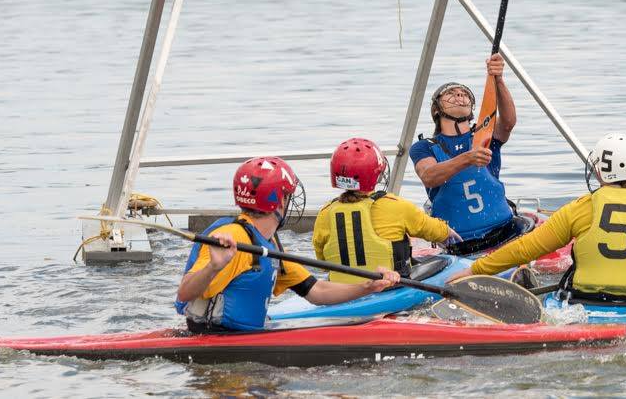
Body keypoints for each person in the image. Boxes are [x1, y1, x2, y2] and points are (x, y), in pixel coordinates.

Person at [449, 134, 626, 300]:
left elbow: (525, 248)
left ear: (600, 171)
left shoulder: (580, 208)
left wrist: (475, 269)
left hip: (586, 300)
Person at [175, 156, 399, 332]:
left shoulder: (268, 243)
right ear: (279, 201)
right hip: (217, 341)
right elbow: (184, 293)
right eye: (288, 195)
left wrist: (367, 287)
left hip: (244, 338)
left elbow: (316, 291)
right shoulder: (233, 237)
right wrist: (213, 266)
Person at [408, 53, 519, 254]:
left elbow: (509, 122)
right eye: (451, 93)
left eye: (464, 94)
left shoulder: (485, 134)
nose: (460, 95)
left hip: (505, 232)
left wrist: (499, 79)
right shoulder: (424, 147)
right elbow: (429, 176)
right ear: (436, 110)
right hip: (459, 243)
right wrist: (467, 158)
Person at [312, 138, 462, 281]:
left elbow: (322, 260)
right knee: (447, 261)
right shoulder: (395, 205)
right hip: (389, 286)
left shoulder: (325, 212)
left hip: (340, 289)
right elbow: (432, 229)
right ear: (376, 176)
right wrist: (446, 232)